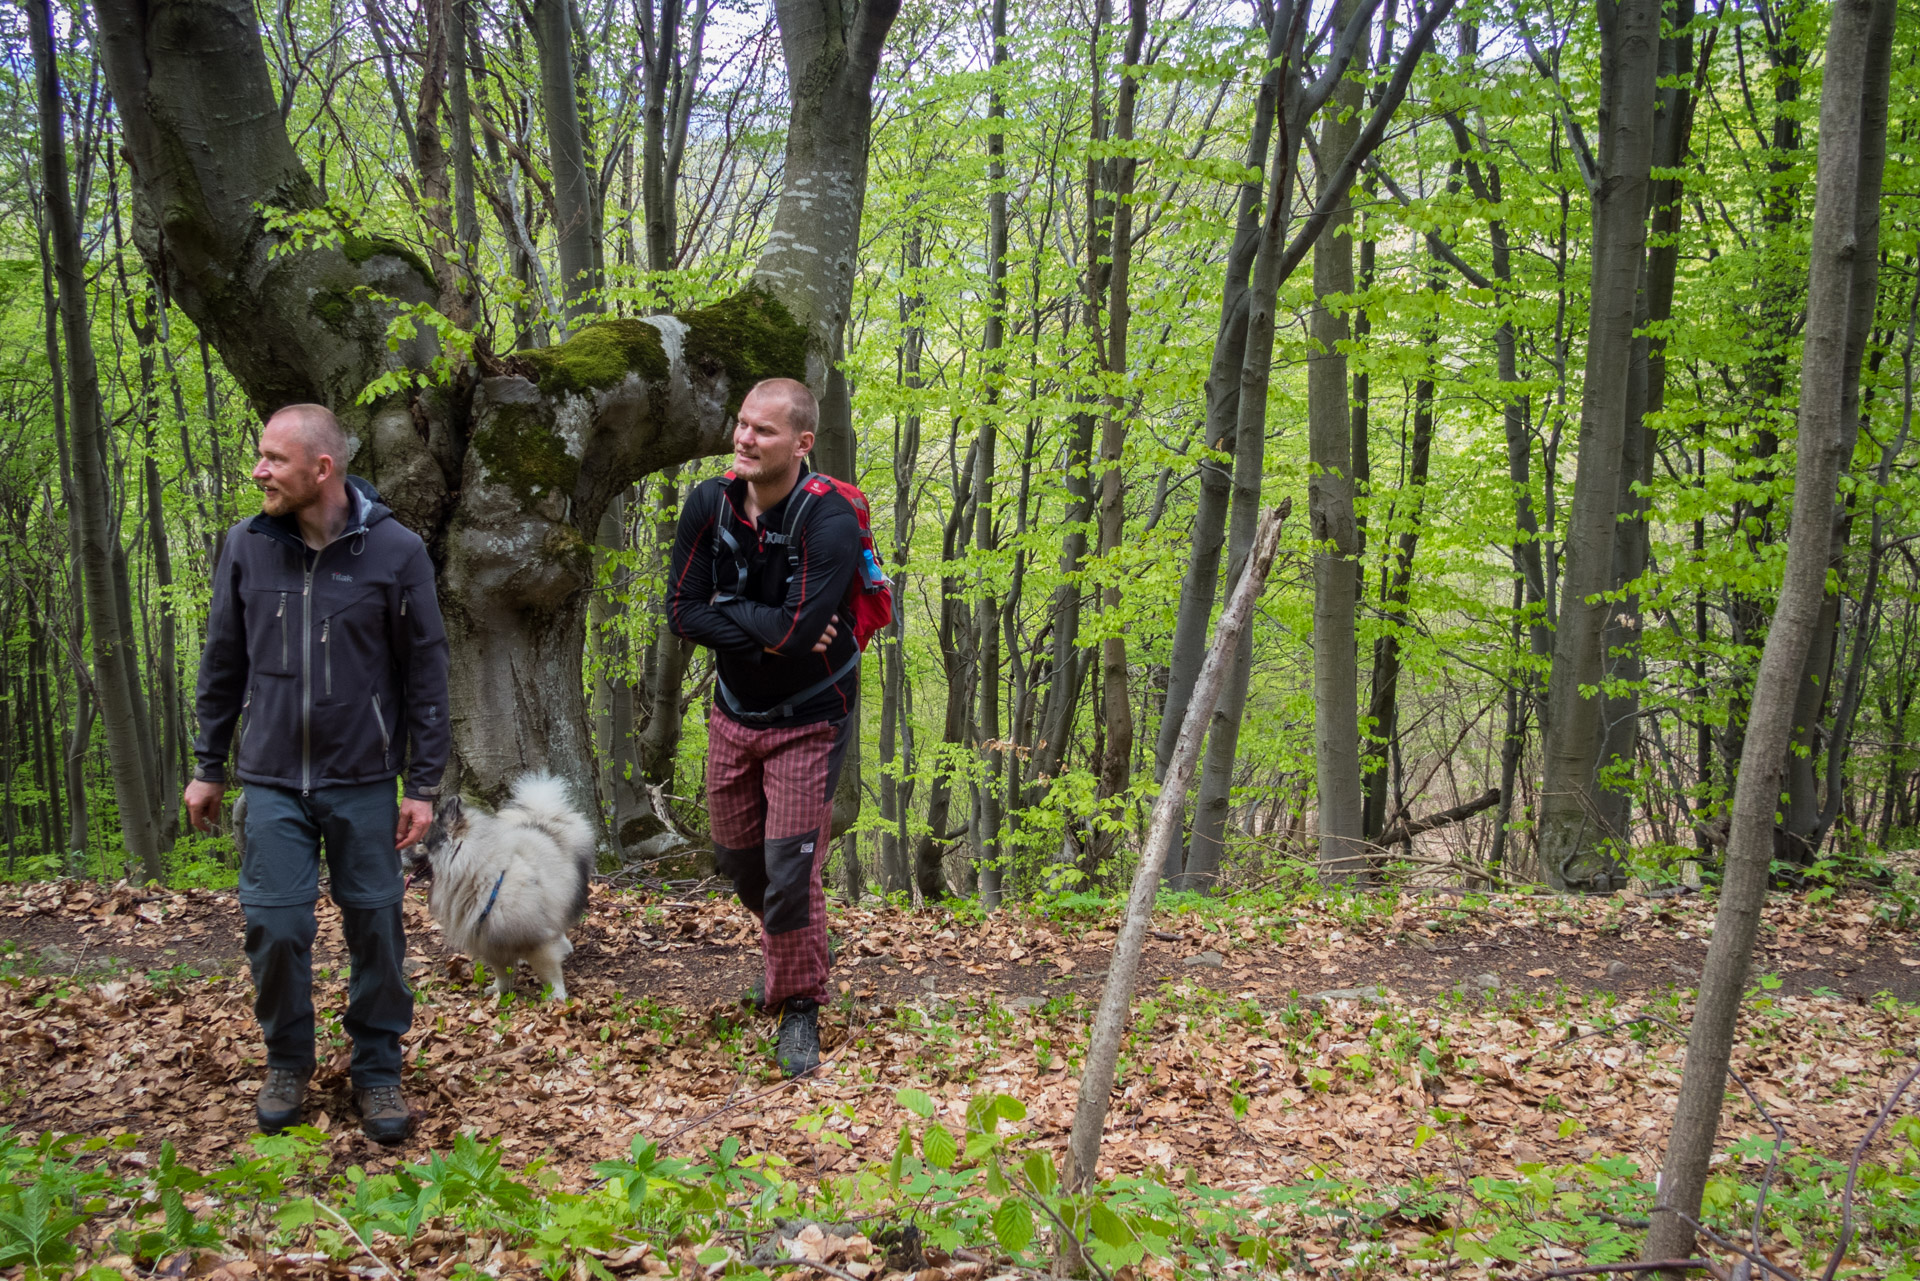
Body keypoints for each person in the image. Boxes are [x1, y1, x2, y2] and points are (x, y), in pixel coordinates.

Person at [184, 403, 450, 1143]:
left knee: (376, 929)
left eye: (274, 458)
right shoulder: (246, 545)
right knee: (275, 926)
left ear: (321, 469)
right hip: (269, 777)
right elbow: (221, 662)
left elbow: (427, 673)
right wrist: (208, 766)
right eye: (261, 458)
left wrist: (422, 785)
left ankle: (377, 1070)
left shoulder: (396, 551)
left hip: (363, 778)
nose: (260, 471)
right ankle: (287, 1060)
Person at [667, 378, 860, 1078]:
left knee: (788, 872)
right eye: (742, 424)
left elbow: (803, 630)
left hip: (810, 717)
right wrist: (764, 622)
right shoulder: (708, 502)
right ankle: (803, 944)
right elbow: (681, 614)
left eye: (764, 430)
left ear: (802, 443)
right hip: (733, 712)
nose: (744, 438)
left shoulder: (828, 520)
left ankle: (799, 1006)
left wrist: (733, 611)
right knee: (742, 864)